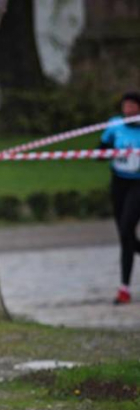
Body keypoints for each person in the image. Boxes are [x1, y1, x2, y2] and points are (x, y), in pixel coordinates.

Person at [99, 91, 140, 305]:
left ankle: (124, 288)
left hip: (138, 183)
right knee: (125, 238)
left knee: (126, 228)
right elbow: (100, 151)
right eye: (125, 106)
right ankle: (124, 289)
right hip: (119, 183)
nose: (128, 110)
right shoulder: (115, 125)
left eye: (132, 106)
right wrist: (105, 152)